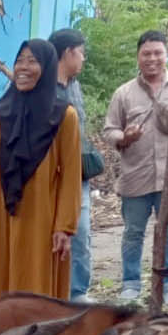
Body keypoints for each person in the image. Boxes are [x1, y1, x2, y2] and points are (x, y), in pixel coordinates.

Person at [0, 38, 82, 317]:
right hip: (3, 218)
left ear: (48, 67)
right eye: (20, 60)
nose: (23, 67)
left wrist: (64, 227)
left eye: (32, 61)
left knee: (34, 284)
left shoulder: (65, 116)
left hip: (41, 219)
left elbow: (71, 177)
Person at [103, 29, 168, 302]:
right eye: (146, 53)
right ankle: (131, 284)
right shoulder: (124, 93)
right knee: (133, 233)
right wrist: (123, 137)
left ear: (167, 56)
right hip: (135, 177)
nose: (152, 58)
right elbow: (109, 130)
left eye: (158, 53)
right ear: (138, 57)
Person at [49, 27, 95, 300]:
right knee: (54, 236)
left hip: (79, 178)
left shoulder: (75, 86)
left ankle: (77, 295)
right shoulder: (42, 89)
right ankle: (53, 294)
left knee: (81, 236)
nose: (83, 59)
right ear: (68, 53)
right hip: (53, 179)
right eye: (81, 53)